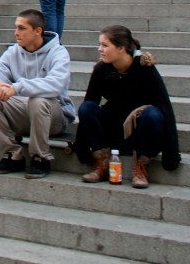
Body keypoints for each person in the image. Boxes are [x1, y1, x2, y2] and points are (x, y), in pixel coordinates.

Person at [75, 24, 180, 188]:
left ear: (121, 48)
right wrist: (82, 151)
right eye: (100, 44)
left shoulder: (145, 68)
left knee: (153, 113)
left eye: (105, 45)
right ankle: (102, 164)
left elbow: (165, 107)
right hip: (114, 131)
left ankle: (141, 167)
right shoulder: (102, 68)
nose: (99, 49)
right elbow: (89, 104)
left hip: (141, 132)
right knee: (87, 108)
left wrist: (171, 155)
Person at [0, 8, 75, 179]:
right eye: (16, 27)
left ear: (38, 31)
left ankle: (41, 157)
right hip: (24, 113)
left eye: (22, 28)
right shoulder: (13, 52)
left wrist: (16, 88)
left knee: (37, 100)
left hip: (54, 118)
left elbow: (55, 85)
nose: (16, 33)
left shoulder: (58, 52)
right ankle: (12, 154)